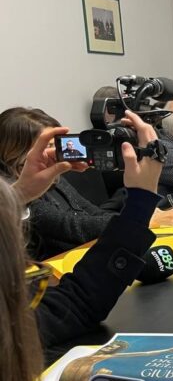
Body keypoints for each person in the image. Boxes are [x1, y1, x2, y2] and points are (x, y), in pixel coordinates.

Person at [0, 110, 163, 379]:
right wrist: (140, 202)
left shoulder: (48, 184)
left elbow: (74, 303)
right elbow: (75, 304)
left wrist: (19, 195)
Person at [0, 108, 173, 260]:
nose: (56, 152)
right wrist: (139, 219)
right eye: (48, 146)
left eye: (56, 144)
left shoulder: (54, 177)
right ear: (17, 152)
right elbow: (73, 226)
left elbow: (92, 212)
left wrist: (133, 218)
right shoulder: (12, 194)